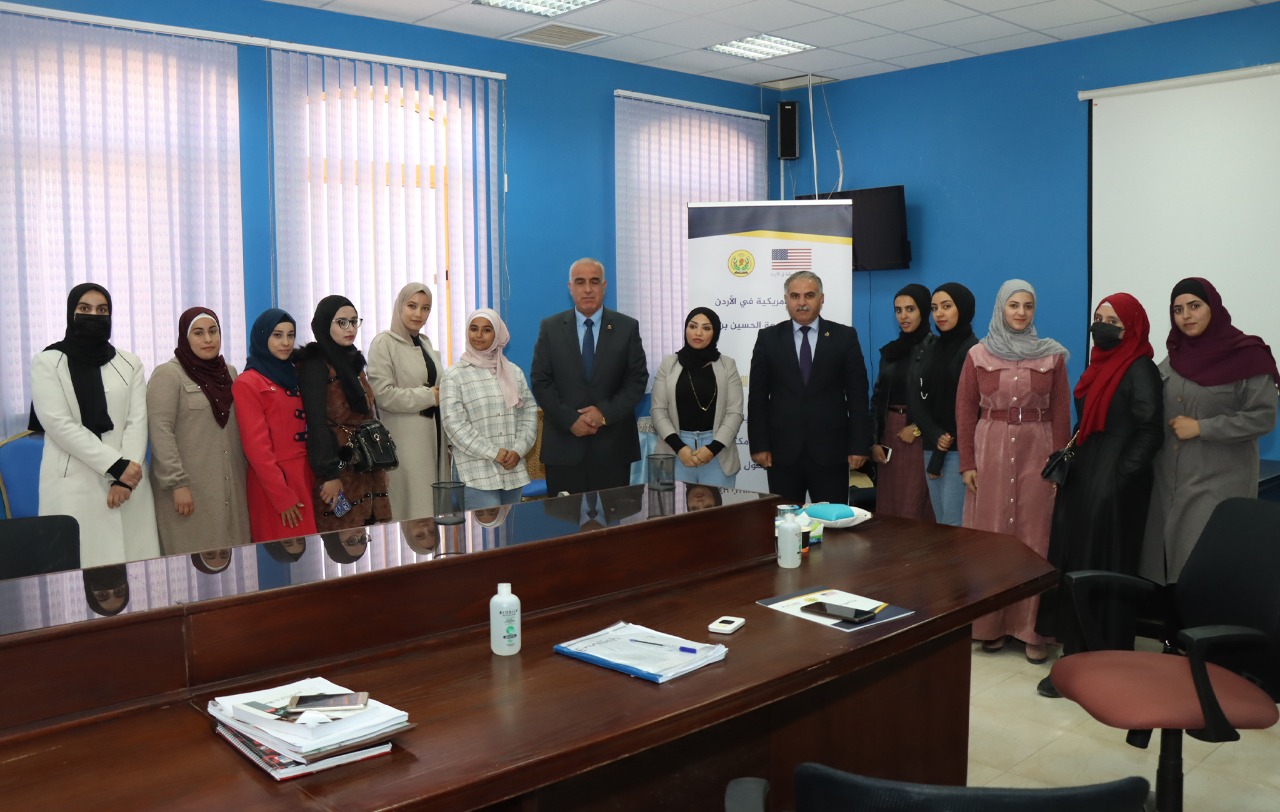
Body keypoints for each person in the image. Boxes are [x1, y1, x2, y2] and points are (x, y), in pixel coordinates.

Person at [1036, 294, 1163, 696]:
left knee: (1102, 563)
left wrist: (1120, 478)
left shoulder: (1140, 368)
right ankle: (1074, 657)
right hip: (1088, 468)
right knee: (1074, 559)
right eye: (1098, 318)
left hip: (1115, 477)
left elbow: (1150, 431)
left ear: (1133, 328)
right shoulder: (1099, 365)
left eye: (1113, 321)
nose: (1102, 326)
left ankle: (1103, 662)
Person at [957, 279, 1070, 664]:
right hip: (989, 449)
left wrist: (1059, 466)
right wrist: (967, 463)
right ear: (1000, 309)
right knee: (991, 540)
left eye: (1028, 306)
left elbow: (1060, 414)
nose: (1021, 313)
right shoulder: (977, 354)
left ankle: (1032, 630)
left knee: (1035, 539)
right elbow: (964, 410)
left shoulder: (1052, 355)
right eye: (1013, 305)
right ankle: (991, 626)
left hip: (1036, 453)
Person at [1140, 278, 1279, 584]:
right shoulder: (1175, 355)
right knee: (1165, 570)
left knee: (1204, 570)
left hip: (1219, 481)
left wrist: (1202, 427)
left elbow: (1263, 417)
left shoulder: (1249, 354)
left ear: (1212, 307)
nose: (1186, 316)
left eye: (1194, 306)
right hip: (1170, 482)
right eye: (1178, 309)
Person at [30, 283, 160, 567]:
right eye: (84, 309)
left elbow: (137, 422)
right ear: (70, 313)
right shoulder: (48, 362)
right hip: (74, 482)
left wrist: (124, 476)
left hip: (129, 482)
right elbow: (59, 425)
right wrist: (115, 466)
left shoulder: (129, 363)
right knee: (77, 575)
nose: (94, 315)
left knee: (136, 577)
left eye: (102, 310)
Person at [748, 271, 871, 505]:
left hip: (831, 452)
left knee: (832, 527)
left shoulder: (844, 337)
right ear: (786, 300)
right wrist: (759, 445)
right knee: (785, 524)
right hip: (782, 454)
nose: (802, 303)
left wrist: (859, 445)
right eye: (795, 296)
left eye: (809, 295)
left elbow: (857, 396)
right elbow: (758, 397)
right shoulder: (768, 338)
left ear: (821, 299)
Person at [530, 258, 648, 495]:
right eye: (580, 282)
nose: (587, 289)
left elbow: (636, 381)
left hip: (613, 449)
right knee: (565, 528)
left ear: (604, 286)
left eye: (594, 282)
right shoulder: (550, 328)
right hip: (564, 448)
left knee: (613, 526)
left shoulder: (627, 327)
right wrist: (570, 420)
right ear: (570, 287)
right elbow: (541, 382)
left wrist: (604, 413)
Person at [147, 307, 251, 555]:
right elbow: (160, 432)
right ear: (185, 336)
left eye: (213, 331)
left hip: (230, 486)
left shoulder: (230, 373)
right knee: (192, 559)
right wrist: (176, 484)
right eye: (198, 333)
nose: (207, 339)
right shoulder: (168, 375)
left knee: (233, 559)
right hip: (189, 489)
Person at [298, 295, 392, 530]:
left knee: (371, 530)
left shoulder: (353, 359)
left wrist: (378, 465)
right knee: (344, 531)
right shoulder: (314, 363)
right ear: (324, 323)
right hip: (337, 465)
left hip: (366, 462)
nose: (350, 329)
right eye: (341, 322)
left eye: (353, 321)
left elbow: (367, 414)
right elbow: (316, 422)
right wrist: (329, 474)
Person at [231, 309, 318, 542]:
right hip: (275, 485)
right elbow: (257, 449)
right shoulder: (248, 383)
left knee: (309, 555)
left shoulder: (294, 374)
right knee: (283, 553)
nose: (286, 342)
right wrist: (282, 496)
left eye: (291, 335)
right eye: (277, 335)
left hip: (305, 476)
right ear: (262, 337)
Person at [366, 283, 448, 520]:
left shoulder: (425, 342)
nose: (418, 314)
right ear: (399, 306)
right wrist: (429, 396)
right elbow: (383, 395)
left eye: (425, 308)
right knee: (413, 509)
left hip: (434, 437)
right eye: (412, 306)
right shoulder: (384, 343)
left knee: (433, 509)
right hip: (405, 439)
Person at [440, 308, 538, 508]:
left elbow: (528, 416)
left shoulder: (514, 372)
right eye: (474, 329)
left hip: (512, 469)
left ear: (497, 335)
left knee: (512, 535)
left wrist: (518, 450)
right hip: (475, 471)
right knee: (483, 536)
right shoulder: (454, 375)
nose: (478, 335)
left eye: (486, 330)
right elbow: (455, 426)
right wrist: (494, 453)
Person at [906, 283, 977, 527]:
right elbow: (915, 395)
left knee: (954, 525)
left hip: (959, 450)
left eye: (947, 307)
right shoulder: (930, 348)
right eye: (935, 308)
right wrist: (935, 434)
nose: (939, 314)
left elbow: (971, 405)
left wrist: (947, 438)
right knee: (941, 524)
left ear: (963, 308)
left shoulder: (975, 350)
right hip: (932, 444)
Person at [650, 307, 744, 487]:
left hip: (717, 451)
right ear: (685, 329)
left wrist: (712, 449)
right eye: (693, 326)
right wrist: (680, 448)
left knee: (718, 515)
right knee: (674, 514)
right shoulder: (668, 364)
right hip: (674, 450)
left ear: (715, 333)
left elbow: (735, 413)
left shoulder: (727, 365)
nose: (698, 332)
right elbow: (658, 411)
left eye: (706, 328)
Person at [869, 284, 935, 521]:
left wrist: (917, 427)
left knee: (913, 506)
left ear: (924, 311)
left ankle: (916, 558)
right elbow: (877, 398)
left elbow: (943, 400)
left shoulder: (936, 349)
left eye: (910, 309)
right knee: (889, 505)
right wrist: (874, 440)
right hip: (889, 434)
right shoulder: (890, 352)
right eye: (898, 310)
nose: (903, 316)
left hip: (918, 435)